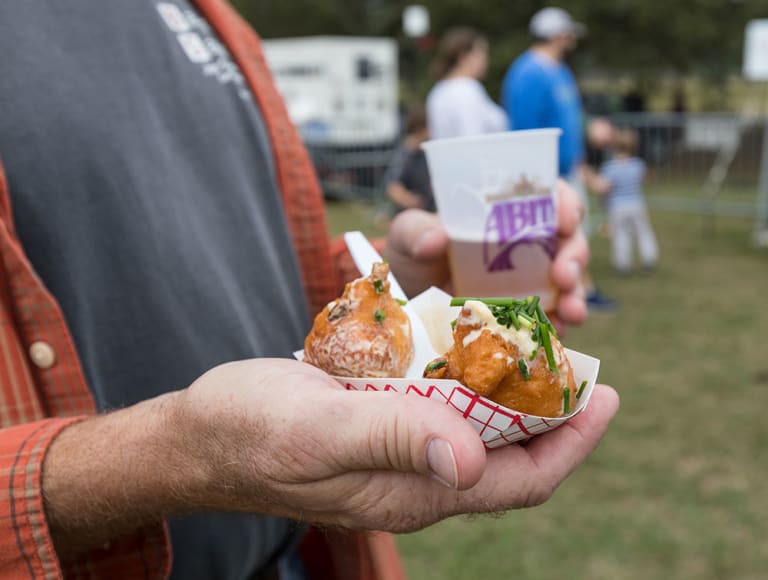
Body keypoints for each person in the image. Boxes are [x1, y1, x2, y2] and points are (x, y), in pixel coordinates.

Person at [0, 1, 618, 579]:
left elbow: (259, 269)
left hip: (303, 557)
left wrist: (408, 291)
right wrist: (174, 457)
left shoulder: (215, 19)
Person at [501, 7, 616, 310]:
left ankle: (579, 288)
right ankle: (570, 292)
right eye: (568, 33)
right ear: (558, 35)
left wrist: (589, 128)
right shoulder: (528, 73)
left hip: (567, 170)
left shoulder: (559, 71)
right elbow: (522, 132)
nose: (572, 39)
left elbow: (568, 117)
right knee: (558, 236)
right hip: (543, 175)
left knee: (574, 232)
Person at [584, 128, 659, 274]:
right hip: (636, 204)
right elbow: (644, 177)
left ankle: (622, 264)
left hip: (617, 207)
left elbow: (605, 187)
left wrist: (603, 201)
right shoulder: (638, 164)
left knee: (620, 234)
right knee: (643, 232)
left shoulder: (610, 168)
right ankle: (649, 258)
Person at [426, 27, 508, 139]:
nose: (485, 59)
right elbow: (472, 139)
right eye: (481, 53)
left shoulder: (438, 91)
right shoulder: (467, 89)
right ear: (463, 56)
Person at [385, 106, 435, 214]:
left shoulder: (427, 152)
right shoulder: (404, 155)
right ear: (420, 128)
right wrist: (410, 200)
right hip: (410, 213)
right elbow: (393, 188)